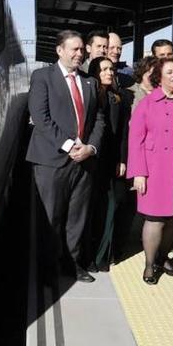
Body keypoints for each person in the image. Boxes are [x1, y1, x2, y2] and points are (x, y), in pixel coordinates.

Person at [27, 30, 107, 283]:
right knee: (51, 218)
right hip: (51, 161)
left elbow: (99, 119)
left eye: (82, 50)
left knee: (77, 217)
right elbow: (41, 117)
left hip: (84, 161)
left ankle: (72, 264)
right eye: (74, 49)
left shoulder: (90, 82)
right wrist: (70, 145)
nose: (79, 54)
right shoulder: (43, 77)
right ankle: (47, 269)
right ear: (60, 51)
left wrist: (91, 148)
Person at [127, 57, 173, 285]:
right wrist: (139, 172)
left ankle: (163, 257)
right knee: (155, 219)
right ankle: (150, 264)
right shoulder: (147, 103)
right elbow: (135, 140)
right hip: (156, 170)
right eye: (169, 71)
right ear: (158, 77)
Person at [85, 56, 133, 271]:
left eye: (111, 69)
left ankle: (102, 255)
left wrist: (123, 159)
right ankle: (88, 254)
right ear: (94, 72)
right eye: (103, 69)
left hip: (111, 160)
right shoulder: (89, 95)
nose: (109, 72)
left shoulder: (119, 98)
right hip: (91, 160)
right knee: (91, 209)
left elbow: (124, 132)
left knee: (110, 207)